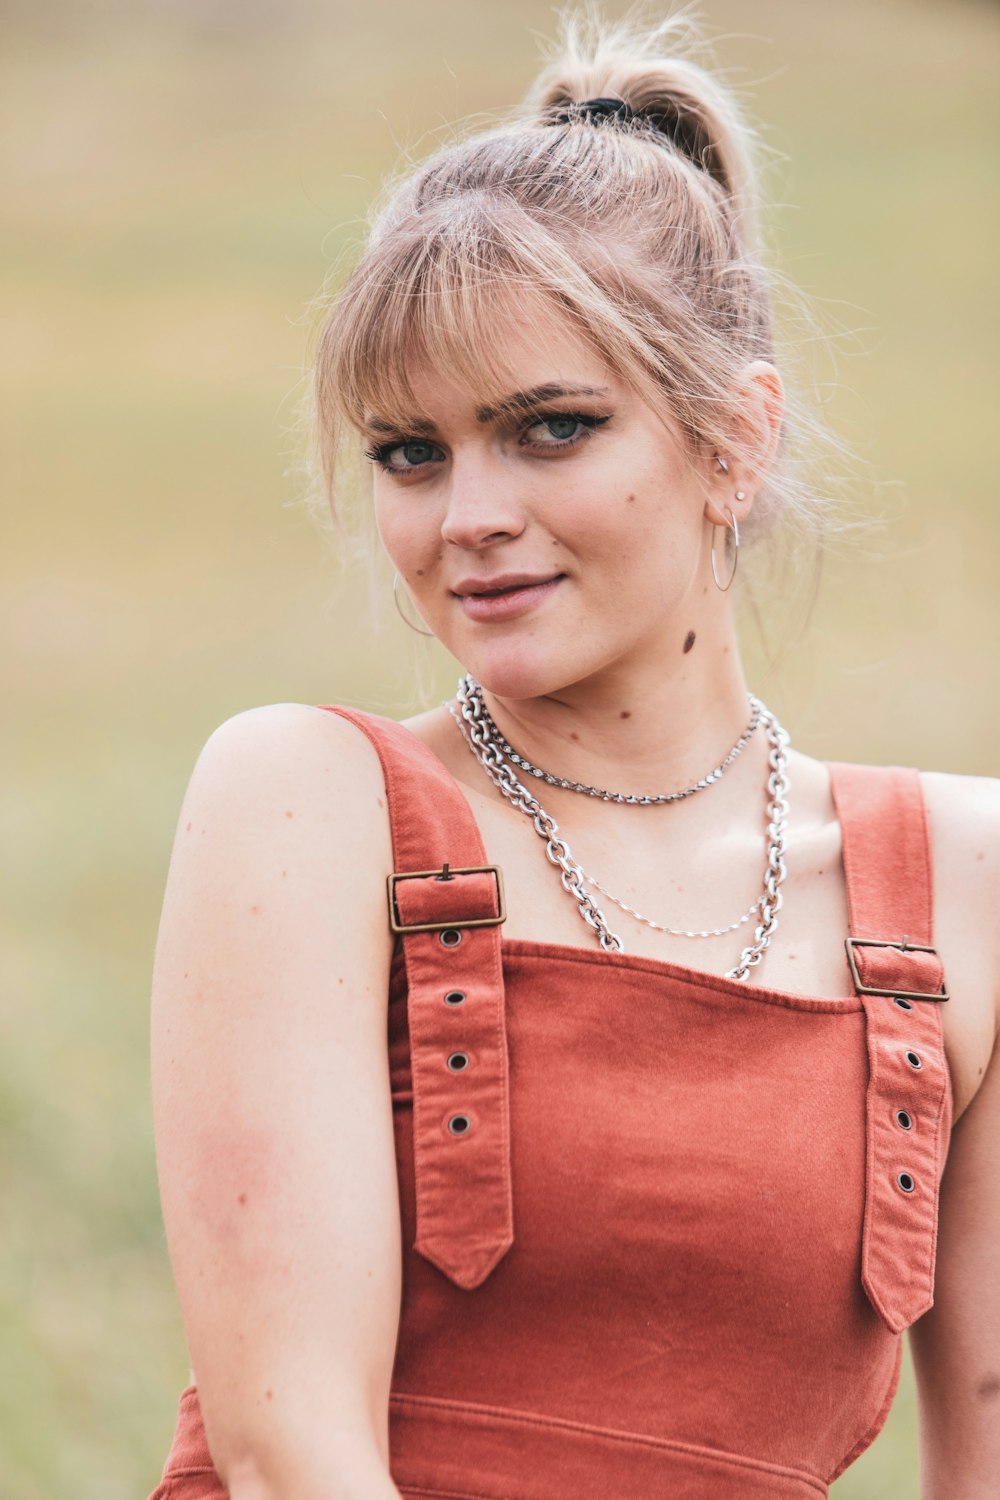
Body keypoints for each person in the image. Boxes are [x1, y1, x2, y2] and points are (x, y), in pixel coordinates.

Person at [147, 13, 999, 1500]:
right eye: (410, 451)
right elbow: (295, 1455)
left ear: (733, 442)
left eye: (547, 429)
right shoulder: (308, 801)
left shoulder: (970, 886)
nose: (464, 510)